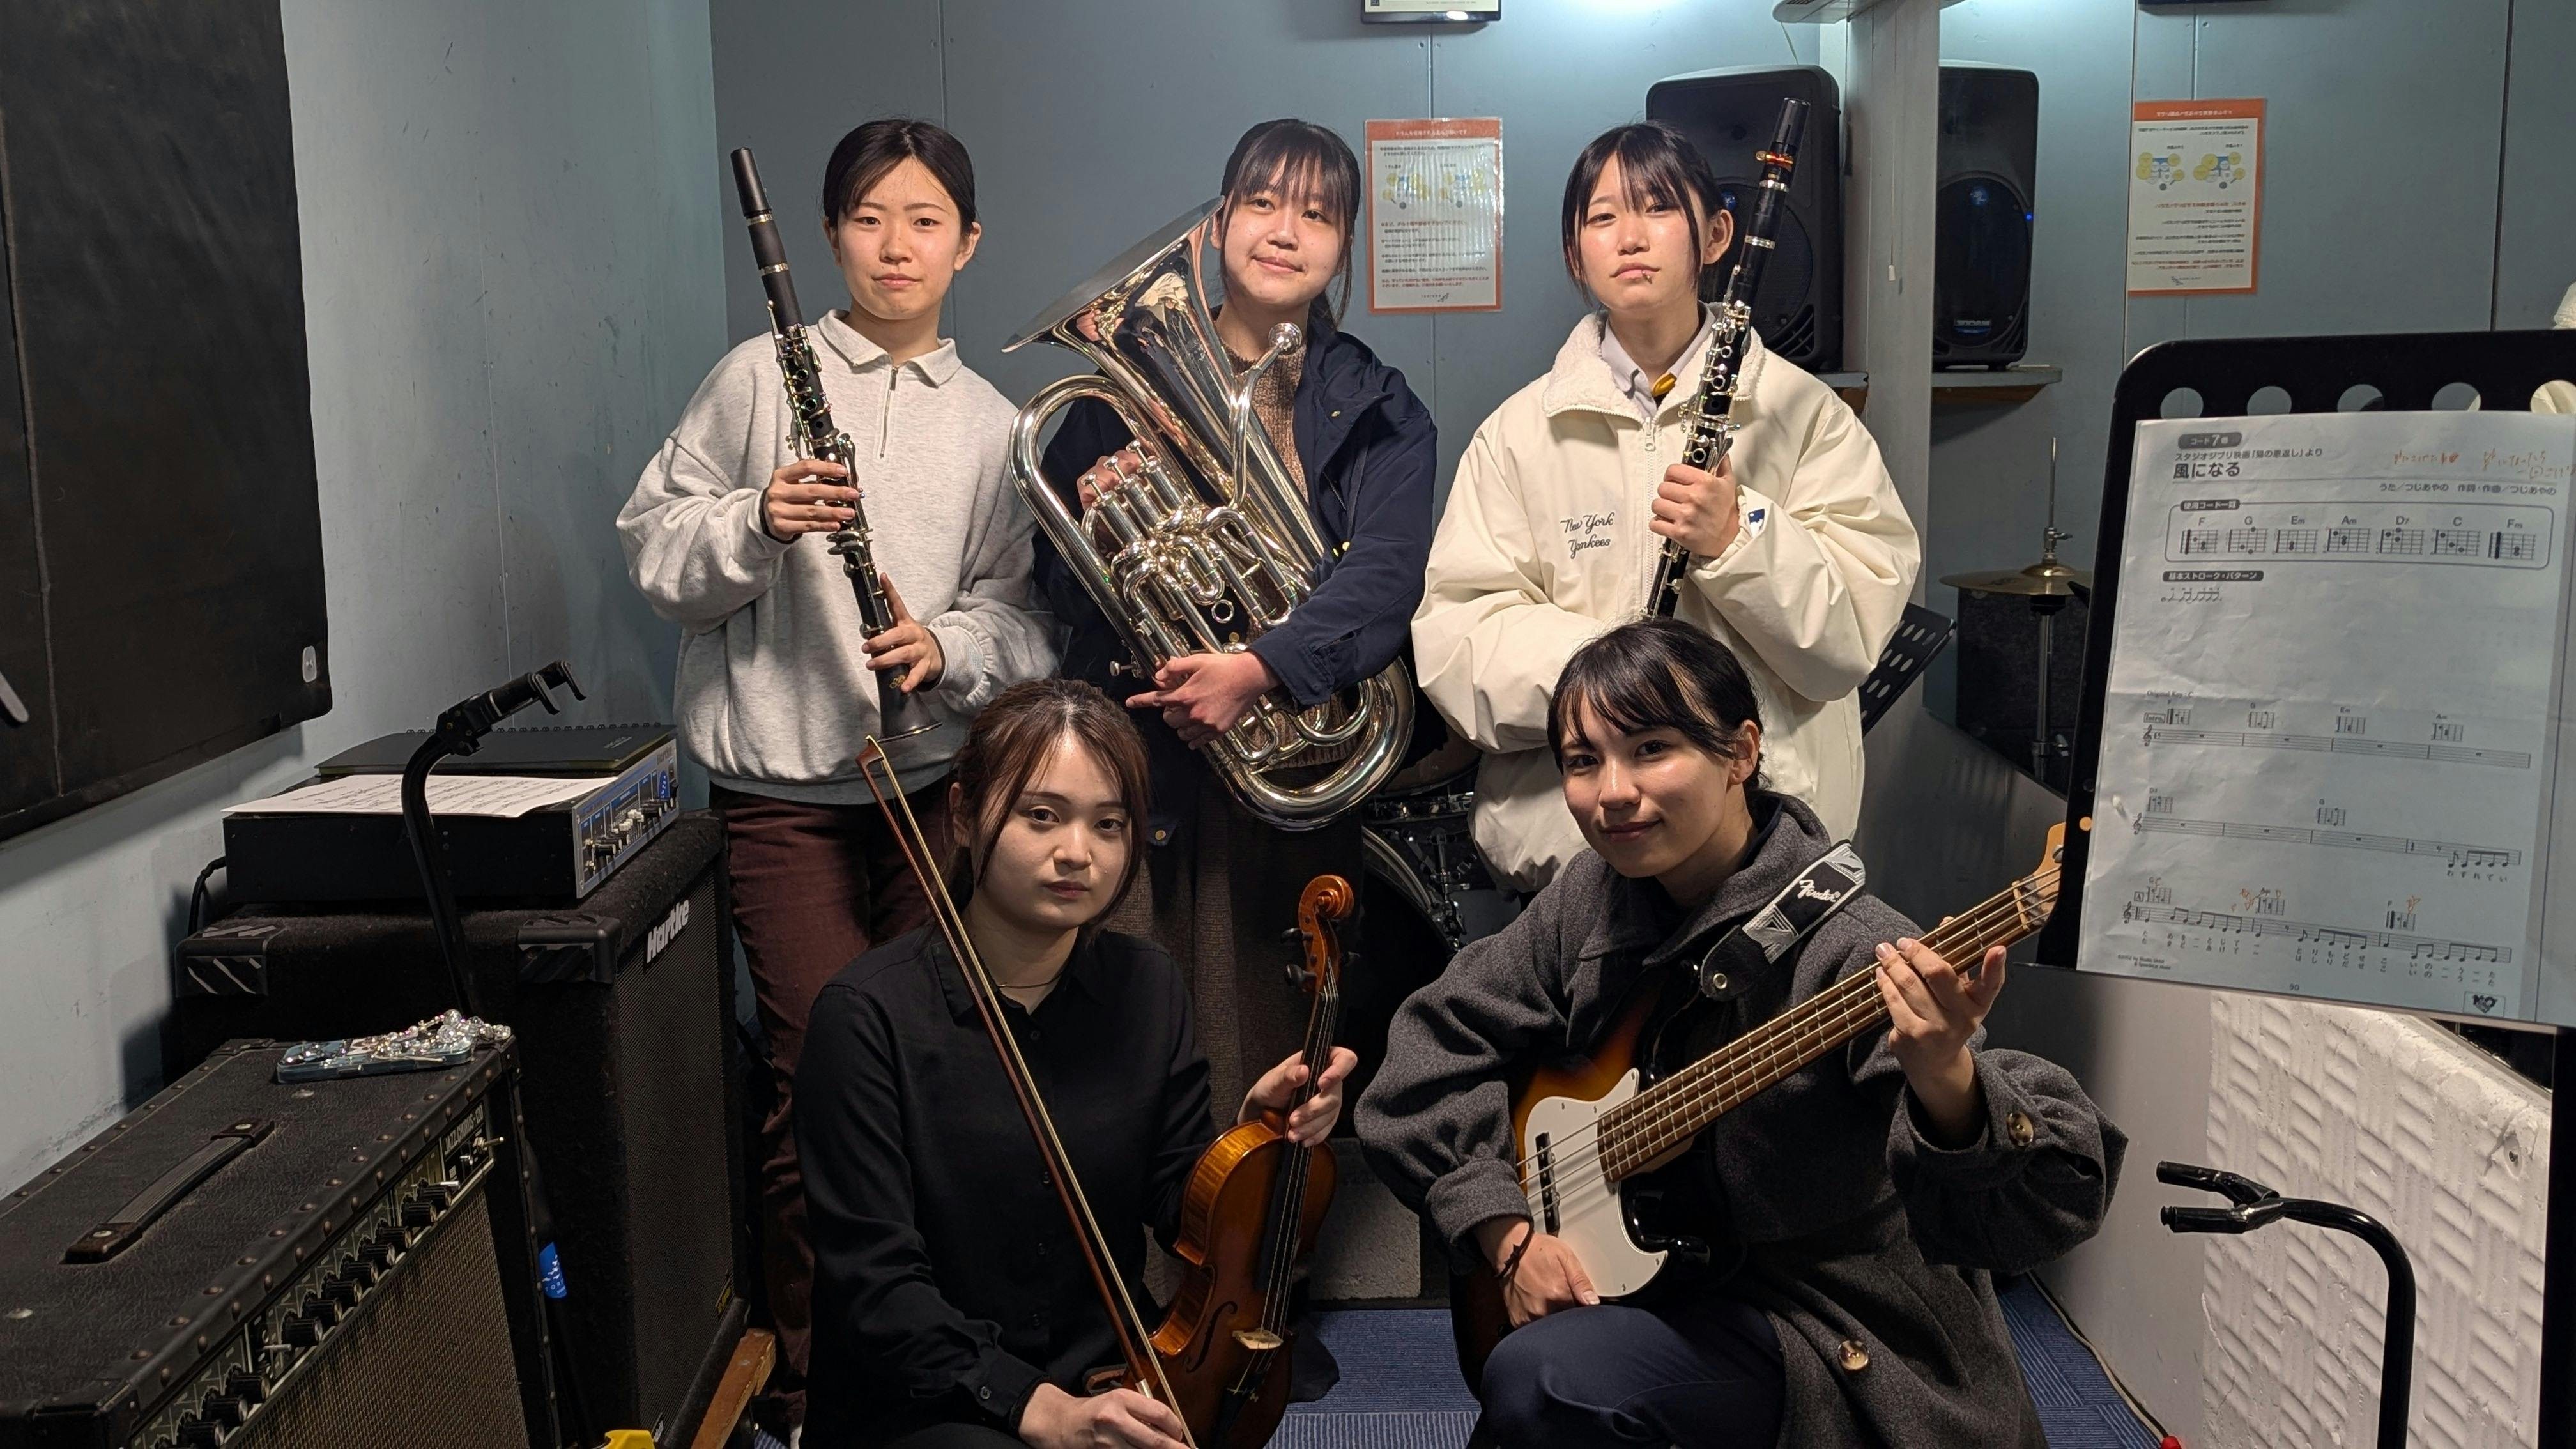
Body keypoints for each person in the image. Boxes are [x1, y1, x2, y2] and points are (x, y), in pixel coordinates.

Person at [1356, 619, 2123, 1449]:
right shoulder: (1592, 896)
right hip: (1667, 1283)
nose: (1612, 791)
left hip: (1829, 1328)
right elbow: (1426, 1054)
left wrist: (1949, 1082)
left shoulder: (1853, 949)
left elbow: (2053, 1207)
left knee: (1544, 1381)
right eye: (1583, 761)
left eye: (1652, 750)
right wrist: (1505, 1233)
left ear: (1742, 753)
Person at [617, 119, 1055, 1414]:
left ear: (968, 243)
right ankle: (820, 1382)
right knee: (819, 1066)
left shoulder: (995, 425)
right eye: (869, 218)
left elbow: (1025, 619)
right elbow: (654, 549)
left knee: (943, 1067)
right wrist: (756, 521)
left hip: (934, 790)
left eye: (925, 220)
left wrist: (948, 645)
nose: (895, 245)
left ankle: (941, 1361)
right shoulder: (762, 376)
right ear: (826, 237)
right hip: (784, 796)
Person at [797, 679, 1360, 1448]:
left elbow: (1178, 1205)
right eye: (1041, 816)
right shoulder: (864, 1017)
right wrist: (1042, 1411)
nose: (1077, 853)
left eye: (1108, 824)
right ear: (962, 814)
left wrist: (1257, 1131)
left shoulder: (1148, 985)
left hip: (1104, 1378)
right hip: (927, 1401)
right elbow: (877, 1286)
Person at [1034, 118, 1436, 1117]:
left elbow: (1386, 578)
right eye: (1263, 203)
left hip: (1287, 767)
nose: (1286, 230)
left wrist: (1256, 668)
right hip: (1142, 764)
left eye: (1318, 214)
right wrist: (1104, 524)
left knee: (1263, 1045)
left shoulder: (1381, 408)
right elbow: (1054, 585)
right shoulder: (1111, 397)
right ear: (1218, 225)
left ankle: (1258, 1223)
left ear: (1343, 245)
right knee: (1126, 1053)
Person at [1413, 121, 1919, 893]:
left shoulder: (1806, 416)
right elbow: (1458, 647)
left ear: (1716, 237)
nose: (1631, 237)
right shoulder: (1516, 435)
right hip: (1574, 870)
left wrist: (1739, 540)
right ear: (1575, 253)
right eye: (1602, 217)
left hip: (1766, 858)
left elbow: (1847, 641)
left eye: (1657, 208)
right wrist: (1617, 668)